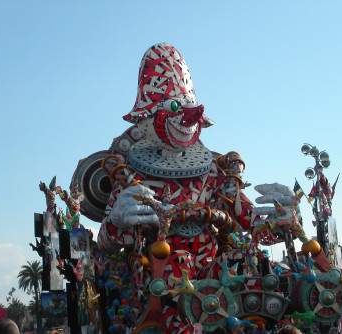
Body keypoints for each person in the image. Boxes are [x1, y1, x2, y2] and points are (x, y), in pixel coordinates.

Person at [93, 42, 306, 334]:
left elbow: (250, 222)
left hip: (214, 274)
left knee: (255, 281)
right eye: (175, 108)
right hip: (158, 274)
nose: (188, 118)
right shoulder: (130, 175)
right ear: (146, 117)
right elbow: (105, 242)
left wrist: (283, 218)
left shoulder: (215, 169)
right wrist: (117, 220)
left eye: (192, 109)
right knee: (178, 269)